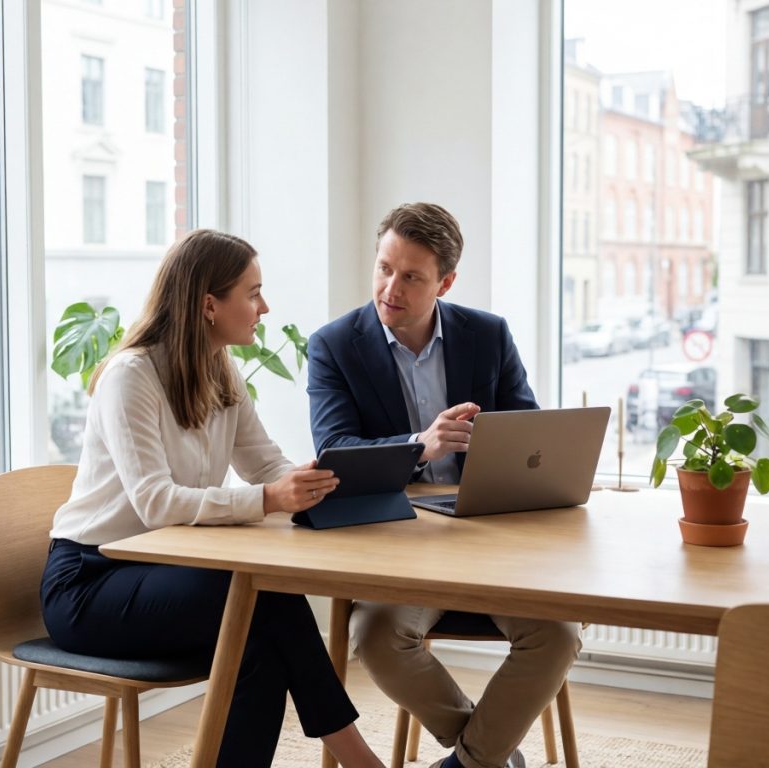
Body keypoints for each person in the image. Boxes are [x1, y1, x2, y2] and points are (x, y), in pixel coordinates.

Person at [41, 229, 385, 768]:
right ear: (208, 305)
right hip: (90, 583)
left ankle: (355, 759)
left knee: (258, 640)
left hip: (166, 571)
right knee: (263, 600)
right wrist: (269, 499)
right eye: (252, 293)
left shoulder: (221, 371)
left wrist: (324, 480)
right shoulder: (129, 377)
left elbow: (264, 464)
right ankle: (358, 758)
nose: (263, 307)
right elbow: (156, 502)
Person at [307, 203, 581, 768]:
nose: (390, 287)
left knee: (556, 634)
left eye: (411, 277)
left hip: (489, 535)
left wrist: (497, 445)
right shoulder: (334, 345)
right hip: (398, 541)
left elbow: (528, 436)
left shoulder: (486, 334)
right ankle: (490, 757)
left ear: (445, 282)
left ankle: (467, 764)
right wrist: (420, 445)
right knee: (376, 635)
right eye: (385, 268)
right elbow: (335, 453)